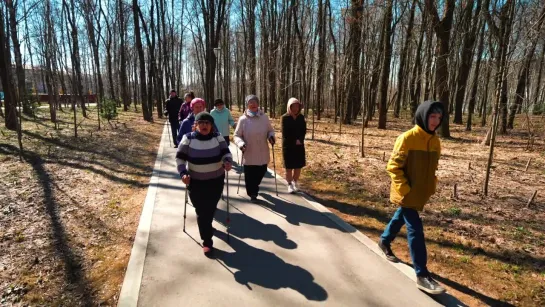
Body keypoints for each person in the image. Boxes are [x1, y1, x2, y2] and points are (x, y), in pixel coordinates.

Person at [377, 100, 446, 295]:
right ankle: (422, 275)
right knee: (415, 229)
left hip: (421, 193)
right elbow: (393, 167)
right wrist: (405, 189)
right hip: (406, 193)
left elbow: (433, 168)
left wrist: (431, 185)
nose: (435, 121)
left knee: (400, 217)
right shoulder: (407, 138)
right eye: (432, 116)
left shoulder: (435, 141)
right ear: (423, 116)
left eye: (439, 118)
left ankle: (384, 240)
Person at [176, 112, 233, 255]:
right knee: (201, 210)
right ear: (195, 125)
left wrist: (227, 162)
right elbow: (180, 159)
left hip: (215, 180)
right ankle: (207, 240)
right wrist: (183, 173)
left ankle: (206, 230)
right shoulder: (188, 139)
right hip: (195, 181)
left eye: (207, 123)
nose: (204, 125)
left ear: (212, 126)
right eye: (201, 123)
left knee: (209, 208)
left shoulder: (218, 137)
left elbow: (226, 153)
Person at [234, 95, 275, 203]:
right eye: (250, 102)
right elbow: (237, 135)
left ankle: (254, 187)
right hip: (249, 151)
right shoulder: (243, 119)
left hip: (262, 151)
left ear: (258, 104)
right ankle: (252, 193)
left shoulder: (264, 117)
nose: (253, 104)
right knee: (250, 175)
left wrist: (271, 137)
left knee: (262, 171)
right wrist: (241, 143)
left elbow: (270, 130)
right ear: (247, 105)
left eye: (255, 102)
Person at [281, 98, 306, 194]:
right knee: (289, 167)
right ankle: (289, 184)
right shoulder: (285, 117)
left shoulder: (301, 117)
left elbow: (303, 130)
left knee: (298, 166)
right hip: (288, 146)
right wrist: (294, 141)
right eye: (293, 106)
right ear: (289, 107)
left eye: (297, 106)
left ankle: (295, 182)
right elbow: (285, 133)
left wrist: (300, 140)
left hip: (299, 146)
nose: (295, 108)